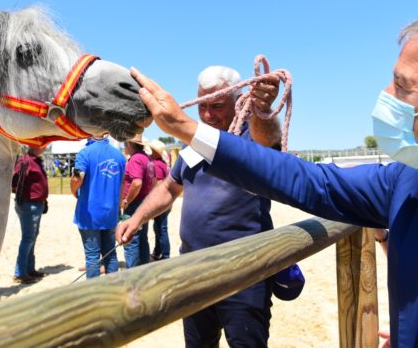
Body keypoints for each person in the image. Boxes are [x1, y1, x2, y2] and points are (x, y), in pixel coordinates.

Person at [126, 5, 418, 347]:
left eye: (402, 85)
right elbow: (307, 181)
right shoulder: (410, 187)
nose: (384, 95)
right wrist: (186, 129)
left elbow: (268, 150)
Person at [118, 65, 304, 348]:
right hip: (194, 272)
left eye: (216, 105)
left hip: (244, 272)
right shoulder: (194, 144)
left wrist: (262, 109)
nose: (207, 114)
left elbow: (269, 141)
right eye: (202, 105)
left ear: (237, 96)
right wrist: (137, 218)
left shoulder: (251, 136)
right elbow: (169, 187)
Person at [70, 137, 126, 278]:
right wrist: (119, 206)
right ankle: (113, 287)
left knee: (92, 256)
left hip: (90, 213)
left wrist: (73, 190)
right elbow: (122, 184)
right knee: (111, 254)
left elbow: (77, 177)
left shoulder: (85, 153)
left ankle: (94, 292)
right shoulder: (119, 155)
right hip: (110, 211)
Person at [12, 146, 49, 284]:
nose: (44, 147)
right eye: (42, 145)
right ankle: (20, 272)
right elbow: (15, 179)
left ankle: (29, 268)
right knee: (28, 238)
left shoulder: (35, 160)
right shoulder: (25, 161)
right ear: (32, 145)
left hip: (37, 204)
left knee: (32, 237)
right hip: (29, 204)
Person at [121, 134, 156, 268]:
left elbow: (136, 183)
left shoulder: (135, 159)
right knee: (143, 238)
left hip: (134, 203)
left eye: (125, 144)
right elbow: (154, 182)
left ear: (130, 144)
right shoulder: (148, 159)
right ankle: (144, 268)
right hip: (144, 201)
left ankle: (132, 271)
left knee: (131, 238)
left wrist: (127, 200)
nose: (125, 147)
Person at [148, 139, 171, 261]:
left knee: (161, 228)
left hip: (160, 200)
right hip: (167, 200)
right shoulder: (163, 164)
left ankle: (165, 255)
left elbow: (159, 184)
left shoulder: (156, 165)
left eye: (152, 151)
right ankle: (158, 252)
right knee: (159, 227)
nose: (150, 153)